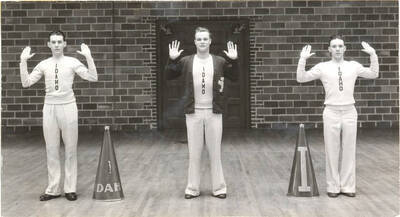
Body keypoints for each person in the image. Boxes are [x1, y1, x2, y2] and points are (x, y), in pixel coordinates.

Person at [296, 35, 379, 198]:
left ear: (345, 48)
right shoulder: (322, 67)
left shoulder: (353, 66)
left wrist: (373, 55)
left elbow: (373, 74)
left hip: (349, 111)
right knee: (331, 149)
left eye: (340, 46)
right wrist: (302, 59)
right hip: (331, 112)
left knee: (349, 149)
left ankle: (348, 186)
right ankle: (333, 186)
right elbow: (301, 78)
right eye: (334, 46)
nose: (337, 49)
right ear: (329, 50)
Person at [19, 30, 98, 201]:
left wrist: (89, 57)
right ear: (48, 44)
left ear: (64, 44)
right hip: (49, 108)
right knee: (51, 149)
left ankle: (70, 188)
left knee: (70, 149)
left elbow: (93, 77)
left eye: (59, 42)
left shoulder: (72, 62)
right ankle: (53, 189)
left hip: (68, 107)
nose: (56, 45)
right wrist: (23, 62)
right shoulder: (44, 64)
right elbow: (26, 83)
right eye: (53, 42)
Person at [165, 27, 238, 199]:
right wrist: (171, 59)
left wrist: (234, 61)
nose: (202, 41)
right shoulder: (186, 61)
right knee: (194, 152)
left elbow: (234, 77)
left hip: (214, 113)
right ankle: (192, 189)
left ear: (210, 41)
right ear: (195, 42)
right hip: (193, 113)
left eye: (205, 39)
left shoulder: (219, 61)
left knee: (215, 152)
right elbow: (169, 75)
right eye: (199, 39)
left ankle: (219, 188)